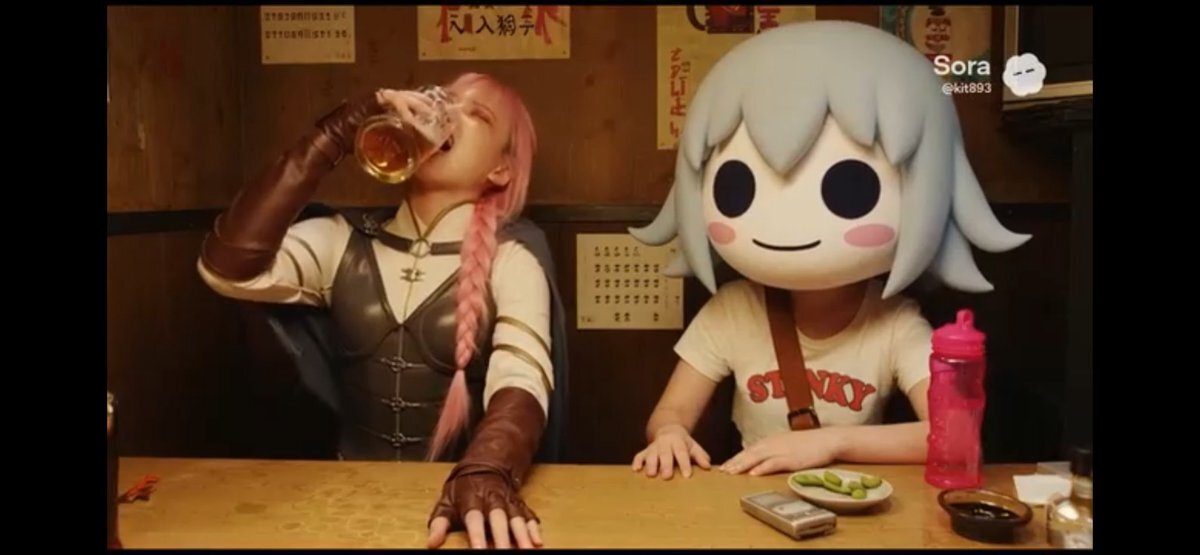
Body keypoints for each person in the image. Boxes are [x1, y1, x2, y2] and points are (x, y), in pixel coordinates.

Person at [629, 21, 1029, 479]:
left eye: (851, 187)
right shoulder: (733, 310)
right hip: (752, 494)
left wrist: (829, 443)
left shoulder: (895, 322)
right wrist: (670, 434)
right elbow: (670, 412)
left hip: (853, 499)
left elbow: (953, 436)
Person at [197, 73, 568, 549]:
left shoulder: (513, 258)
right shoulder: (342, 240)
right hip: (345, 505)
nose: (448, 114)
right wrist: (336, 133)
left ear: (500, 169)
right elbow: (226, 270)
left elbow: (522, 378)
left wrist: (486, 471)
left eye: (476, 115)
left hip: (457, 508)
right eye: (447, 100)